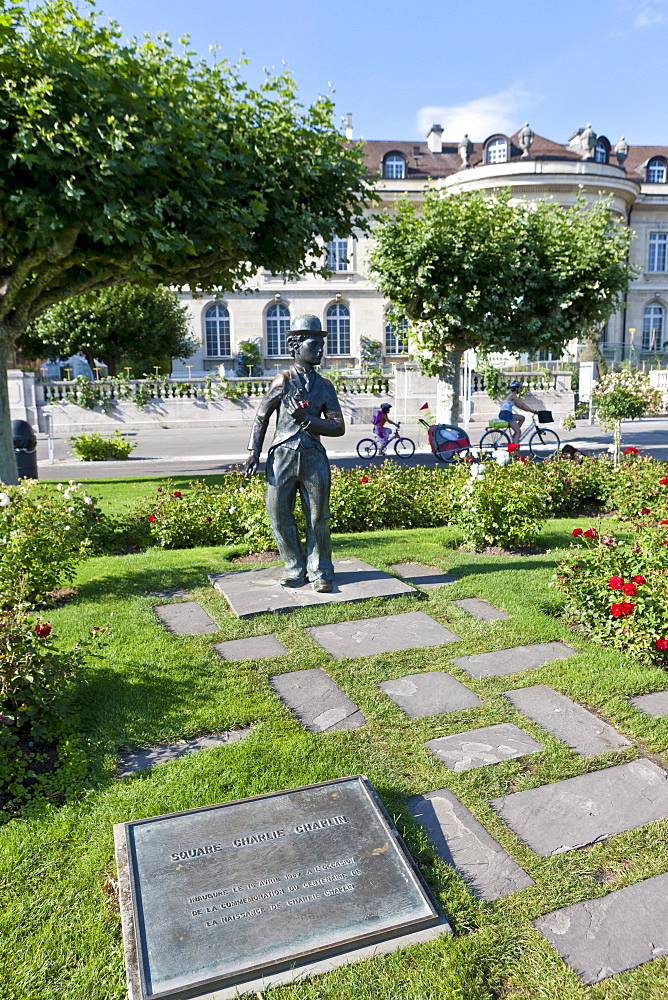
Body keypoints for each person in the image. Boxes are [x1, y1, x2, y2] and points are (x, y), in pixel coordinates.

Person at [245, 314, 344, 593]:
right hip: (282, 457)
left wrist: (307, 420)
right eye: (314, 345)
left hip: (313, 457)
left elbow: (338, 427)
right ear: (296, 346)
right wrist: (254, 452)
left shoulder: (325, 387)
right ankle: (293, 567)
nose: (320, 351)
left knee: (318, 517)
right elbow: (261, 417)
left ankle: (320, 571)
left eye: (322, 345)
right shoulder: (283, 381)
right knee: (278, 514)